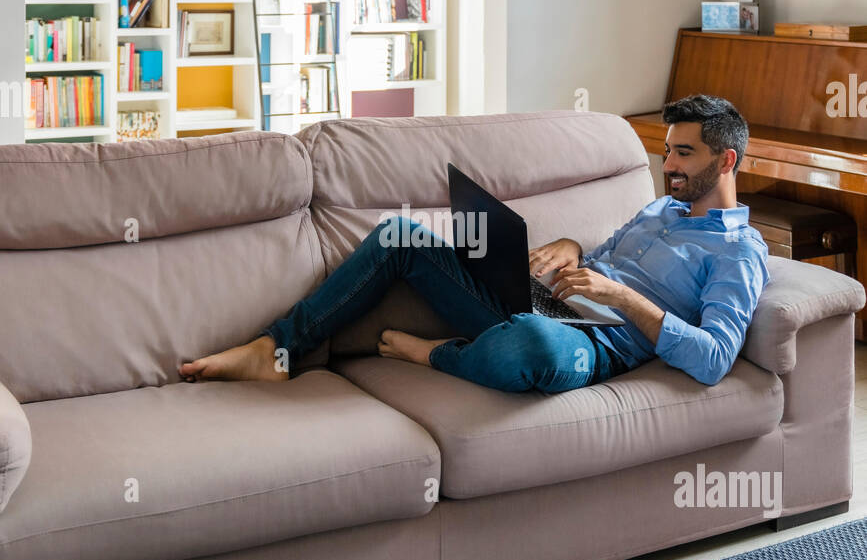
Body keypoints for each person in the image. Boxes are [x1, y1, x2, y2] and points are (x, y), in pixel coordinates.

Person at [179, 94, 769, 396]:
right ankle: (277, 350)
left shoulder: (738, 254)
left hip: (598, 342)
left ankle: (439, 354)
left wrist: (622, 298)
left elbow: (715, 358)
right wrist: (569, 247)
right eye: (666, 149)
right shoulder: (661, 207)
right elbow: (601, 259)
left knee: (534, 344)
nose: (666, 164)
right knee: (399, 237)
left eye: (682, 154)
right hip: (548, 300)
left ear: (727, 160)